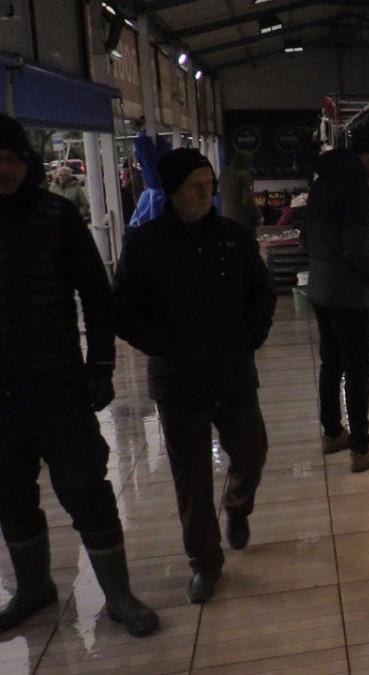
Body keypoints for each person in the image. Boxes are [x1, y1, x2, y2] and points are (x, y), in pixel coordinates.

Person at [0, 114, 159, 637]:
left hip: (58, 386)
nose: (3, 169)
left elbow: (95, 294)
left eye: (11, 158)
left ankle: (119, 596)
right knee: (10, 494)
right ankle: (33, 588)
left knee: (86, 489)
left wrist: (101, 366)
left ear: (26, 161)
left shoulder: (57, 216)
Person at [113, 148, 276, 604]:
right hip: (178, 378)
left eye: (210, 185)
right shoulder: (145, 245)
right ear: (172, 192)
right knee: (192, 478)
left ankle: (238, 505)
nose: (206, 194)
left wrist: (251, 337)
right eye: (195, 187)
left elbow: (262, 292)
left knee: (251, 451)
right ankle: (205, 562)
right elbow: (122, 310)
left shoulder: (233, 237)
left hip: (233, 370)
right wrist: (164, 344)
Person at [304, 124, 369, 473]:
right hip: (347, 293)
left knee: (331, 362)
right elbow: (357, 249)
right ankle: (361, 448)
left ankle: (332, 433)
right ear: (368, 154)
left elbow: (309, 238)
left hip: (320, 286)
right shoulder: (357, 190)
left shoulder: (322, 183)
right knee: (357, 369)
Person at [218, 150, 262, 232]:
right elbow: (248, 200)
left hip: (226, 217)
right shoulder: (243, 175)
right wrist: (258, 215)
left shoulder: (224, 174)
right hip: (242, 221)